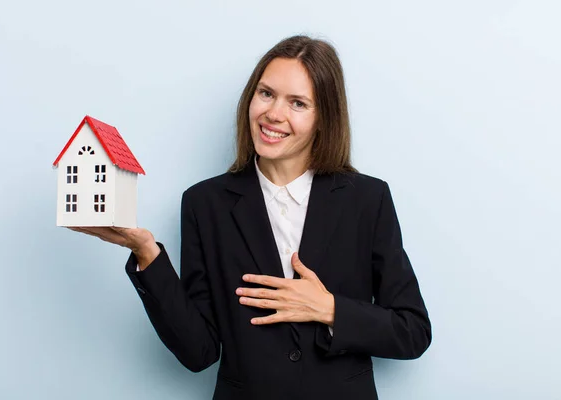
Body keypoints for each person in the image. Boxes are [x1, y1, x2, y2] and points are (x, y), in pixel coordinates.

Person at [71, 35, 432, 400]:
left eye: (298, 103)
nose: (274, 113)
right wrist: (148, 254)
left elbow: (413, 330)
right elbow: (199, 352)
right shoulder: (204, 204)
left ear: (323, 118)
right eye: (266, 93)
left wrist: (330, 309)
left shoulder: (367, 200)